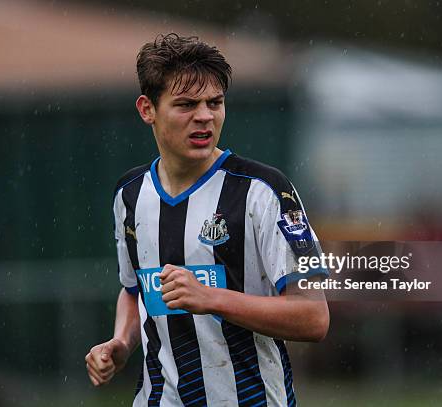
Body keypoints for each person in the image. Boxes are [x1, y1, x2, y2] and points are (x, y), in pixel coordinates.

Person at [85, 33, 329, 406]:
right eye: (186, 104)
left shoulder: (263, 191)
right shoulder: (129, 194)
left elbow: (313, 316)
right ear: (147, 109)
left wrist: (212, 298)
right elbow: (135, 291)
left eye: (214, 103)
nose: (204, 116)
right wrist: (121, 342)